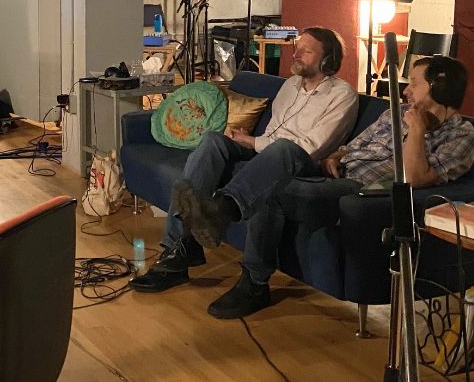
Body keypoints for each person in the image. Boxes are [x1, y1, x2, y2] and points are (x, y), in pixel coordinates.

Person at [203, 55, 474, 320]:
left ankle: (253, 282)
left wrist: (417, 129)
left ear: (439, 87)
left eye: (414, 83)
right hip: (331, 171)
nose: (406, 91)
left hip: (358, 188)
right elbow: (352, 146)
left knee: (272, 190)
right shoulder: (395, 113)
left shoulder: (461, 135)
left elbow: (413, 178)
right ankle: (226, 205)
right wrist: (334, 156)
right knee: (284, 148)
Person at [130, 27, 359, 304]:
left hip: (299, 164)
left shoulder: (342, 95)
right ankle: (177, 252)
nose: (296, 54)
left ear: (327, 60)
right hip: (264, 152)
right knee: (213, 141)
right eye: (297, 47)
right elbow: (271, 132)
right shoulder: (290, 85)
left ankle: (221, 210)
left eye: (306, 51)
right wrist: (247, 142)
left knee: (283, 148)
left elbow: (312, 147)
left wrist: (253, 142)